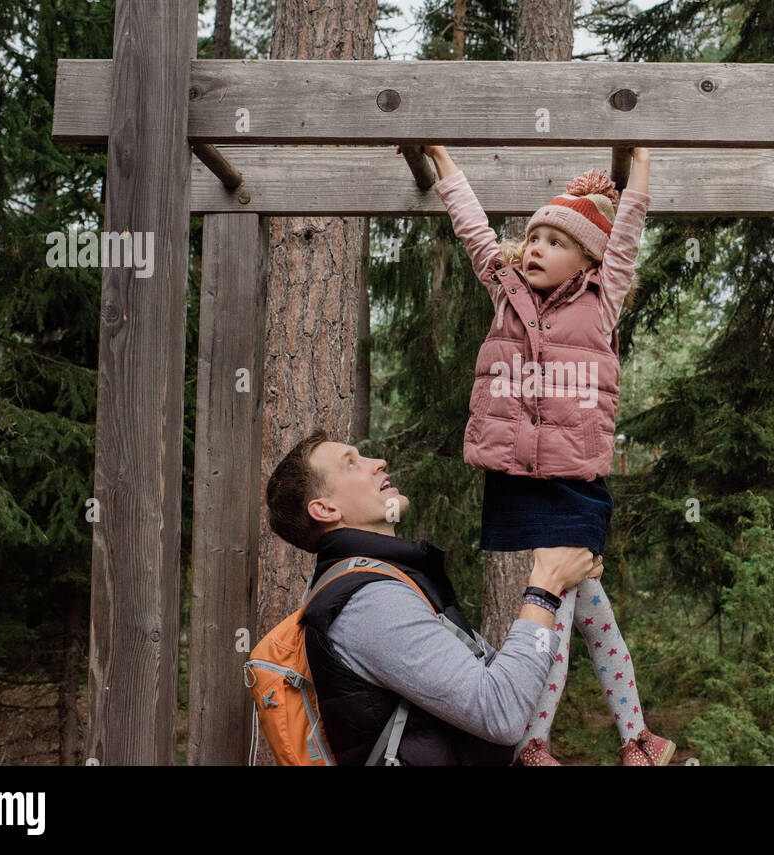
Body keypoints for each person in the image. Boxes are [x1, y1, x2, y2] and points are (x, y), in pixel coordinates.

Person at [417, 143, 674, 765]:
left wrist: (639, 167)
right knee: (588, 608)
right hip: (515, 478)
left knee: (555, 610)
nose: (535, 248)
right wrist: (444, 165)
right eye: (533, 237)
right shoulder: (506, 293)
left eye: (556, 241)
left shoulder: (603, 300)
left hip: (574, 482)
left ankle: (534, 742)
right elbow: (475, 231)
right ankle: (635, 739)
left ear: (588, 257)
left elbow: (630, 234)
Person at [264, 430, 601, 765]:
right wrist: (546, 585)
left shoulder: (382, 580)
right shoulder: (369, 602)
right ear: (325, 509)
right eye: (351, 464)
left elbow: (512, 685)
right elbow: (502, 712)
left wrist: (563, 582)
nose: (378, 463)